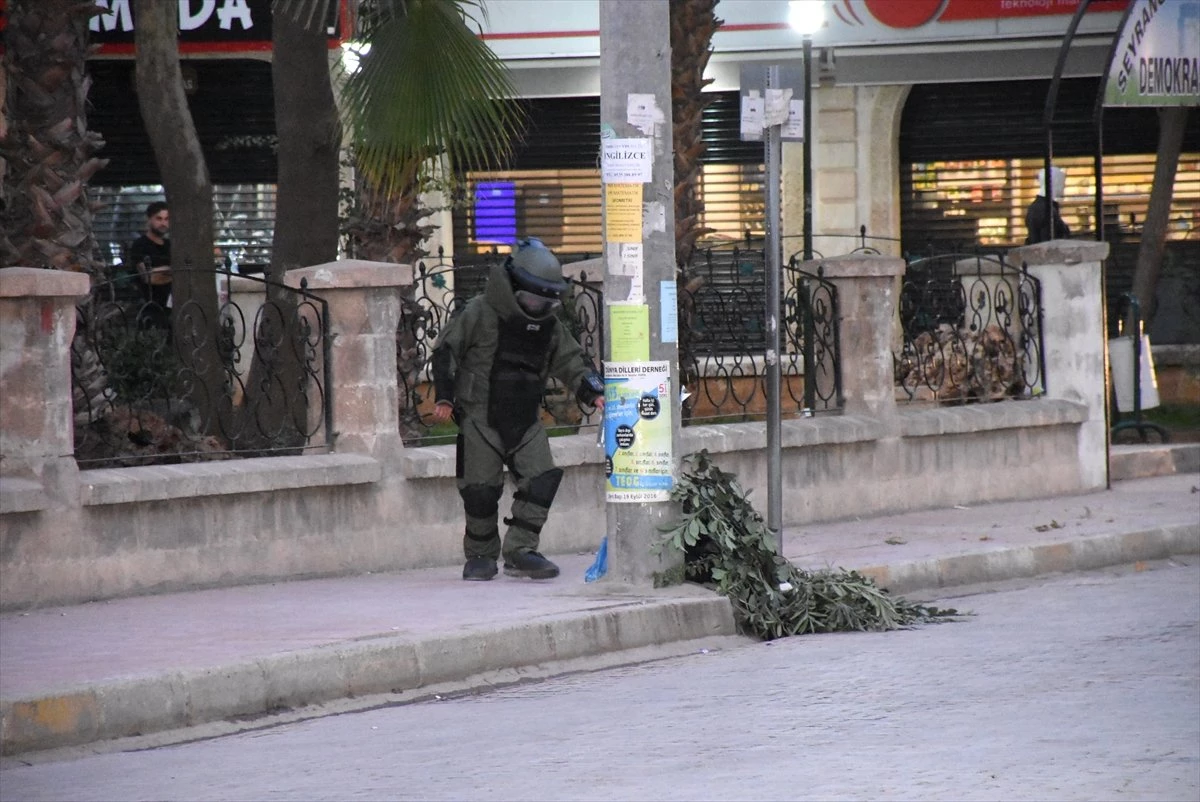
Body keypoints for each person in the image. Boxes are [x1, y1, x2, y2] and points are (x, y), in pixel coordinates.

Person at [431, 238, 605, 581]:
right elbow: (446, 351)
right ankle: (480, 556)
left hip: (525, 418)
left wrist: (593, 391)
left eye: (544, 299)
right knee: (479, 491)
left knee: (542, 480)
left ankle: (521, 549)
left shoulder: (550, 326)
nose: (536, 306)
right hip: (480, 417)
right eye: (531, 298)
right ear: (513, 286)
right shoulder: (479, 312)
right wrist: (445, 396)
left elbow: (571, 361)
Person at [128, 201, 172, 310]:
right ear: (149, 219)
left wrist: (163, 272)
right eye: (159, 219)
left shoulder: (170, 245)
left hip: (173, 305)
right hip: (152, 305)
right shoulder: (140, 245)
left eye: (167, 219)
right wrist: (171, 271)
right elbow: (148, 277)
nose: (163, 223)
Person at [1024, 166, 1070, 245]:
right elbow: (1047, 244)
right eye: (1062, 181)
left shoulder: (1040, 207)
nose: (1063, 186)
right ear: (1055, 182)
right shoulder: (1045, 209)